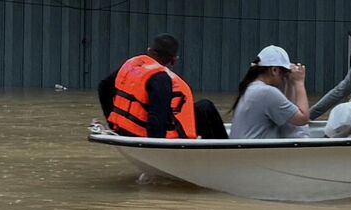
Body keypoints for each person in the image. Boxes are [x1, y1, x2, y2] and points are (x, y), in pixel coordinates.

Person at [99, 35, 227, 140]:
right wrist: (156, 146)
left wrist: (112, 122)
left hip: (122, 130)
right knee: (206, 107)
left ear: (149, 50)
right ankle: (224, 155)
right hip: (144, 137)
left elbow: (103, 87)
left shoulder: (132, 65)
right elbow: (156, 120)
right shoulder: (161, 78)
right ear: (173, 60)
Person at [228, 46, 311, 140]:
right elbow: (303, 118)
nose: (284, 77)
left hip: (245, 149)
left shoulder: (251, 87)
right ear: (274, 70)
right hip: (255, 151)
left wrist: (290, 83)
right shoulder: (266, 92)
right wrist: (299, 83)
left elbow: (288, 114)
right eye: (284, 73)